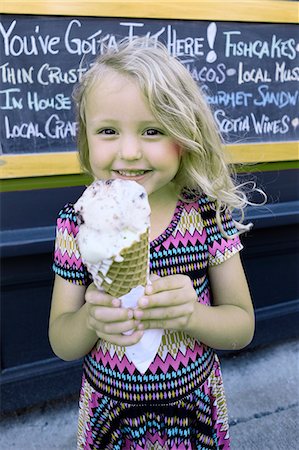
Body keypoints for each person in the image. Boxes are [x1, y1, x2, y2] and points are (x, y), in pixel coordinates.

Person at [49, 37, 260, 450]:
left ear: (184, 134)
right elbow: (62, 342)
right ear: (86, 138)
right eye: (108, 131)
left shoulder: (206, 215)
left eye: (152, 130)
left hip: (193, 414)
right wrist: (91, 320)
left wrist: (192, 316)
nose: (128, 152)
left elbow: (242, 326)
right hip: (111, 418)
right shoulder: (77, 223)